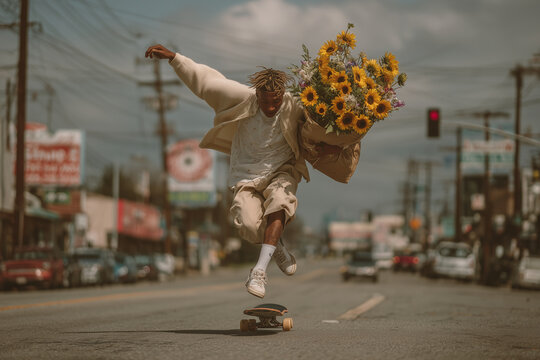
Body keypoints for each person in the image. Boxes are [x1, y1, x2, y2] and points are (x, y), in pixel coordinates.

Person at [145, 44, 358, 298]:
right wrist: (174, 58)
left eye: (275, 102)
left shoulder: (295, 105)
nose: (270, 107)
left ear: (282, 96)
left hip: (283, 170)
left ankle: (259, 271)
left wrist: (341, 137)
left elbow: (324, 125)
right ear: (257, 94)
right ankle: (275, 244)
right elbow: (206, 82)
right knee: (247, 224)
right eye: (265, 102)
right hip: (246, 174)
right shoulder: (242, 98)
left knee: (280, 203)